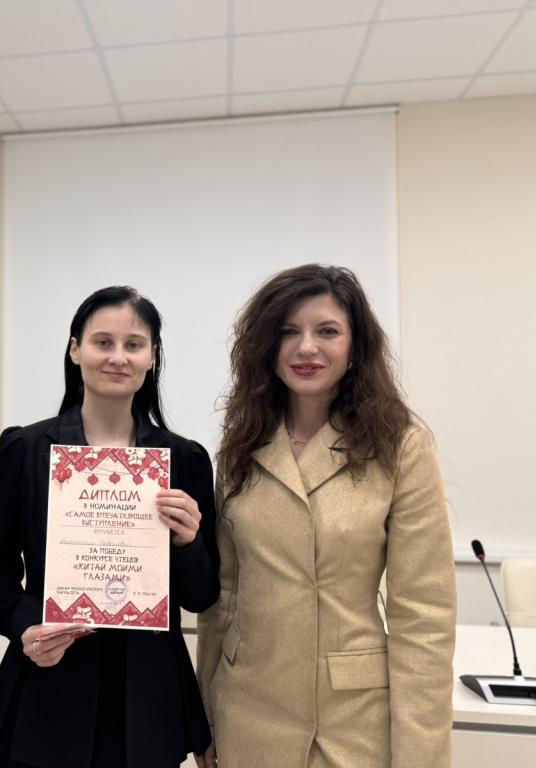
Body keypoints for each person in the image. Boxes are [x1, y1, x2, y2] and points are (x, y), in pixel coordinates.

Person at [197, 264, 456, 768]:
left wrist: (420, 755)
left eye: (328, 331)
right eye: (288, 332)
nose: (306, 348)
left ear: (356, 347)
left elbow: (424, 616)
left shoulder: (400, 448)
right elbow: (224, 597)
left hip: (351, 723)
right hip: (247, 713)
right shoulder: (241, 446)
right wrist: (204, 718)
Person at [0, 286, 220, 768]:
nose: (118, 357)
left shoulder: (185, 460)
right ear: (75, 350)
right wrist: (27, 624)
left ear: (152, 357)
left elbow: (202, 595)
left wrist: (188, 542)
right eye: (102, 342)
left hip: (149, 703)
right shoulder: (25, 451)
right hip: (46, 694)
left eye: (134, 345)